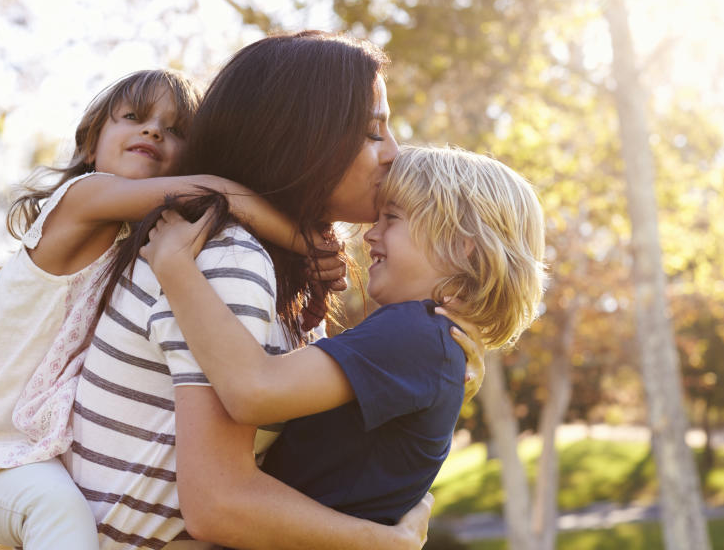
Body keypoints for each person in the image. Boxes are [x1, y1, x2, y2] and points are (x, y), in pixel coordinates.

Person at [68, 31, 465, 549]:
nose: (394, 153)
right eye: (373, 132)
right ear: (302, 139)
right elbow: (219, 505)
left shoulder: (278, 275)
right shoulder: (228, 260)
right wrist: (383, 543)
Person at [0, 69, 326, 550]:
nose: (154, 131)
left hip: (45, 452)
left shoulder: (141, 243)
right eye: (134, 117)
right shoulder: (81, 199)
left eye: (175, 129)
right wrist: (307, 247)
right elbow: (213, 194)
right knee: (58, 514)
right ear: (91, 146)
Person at [143, 144, 547, 525]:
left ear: (462, 248)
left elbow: (254, 389)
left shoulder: (415, 333)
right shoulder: (431, 342)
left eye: (393, 218)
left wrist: (175, 266)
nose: (371, 234)